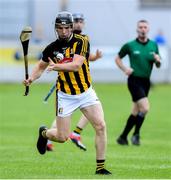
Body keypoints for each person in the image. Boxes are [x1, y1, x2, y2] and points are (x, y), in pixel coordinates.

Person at [23, 11, 111, 175]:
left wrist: (56, 67)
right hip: (65, 96)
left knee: (100, 126)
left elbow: (76, 65)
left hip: (85, 92)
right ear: (56, 29)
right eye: (60, 28)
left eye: (66, 28)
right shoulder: (52, 48)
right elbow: (40, 67)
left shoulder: (82, 42)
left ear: (71, 27)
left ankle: (100, 168)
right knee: (62, 137)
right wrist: (31, 79)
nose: (63, 31)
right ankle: (44, 133)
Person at [47, 13, 102, 151]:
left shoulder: (84, 39)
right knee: (63, 119)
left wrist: (95, 57)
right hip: (66, 85)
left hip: (82, 83)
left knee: (91, 111)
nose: (78, 23)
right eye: (76, 21)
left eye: (81, 21)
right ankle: (53, 136)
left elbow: (86, 58)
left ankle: (75, 133)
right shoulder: (61, 40)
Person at [115, 20, 161, 146]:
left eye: (145, 27)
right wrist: (125, 69)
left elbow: (158, 65)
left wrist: (157, 60)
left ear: (148, 29)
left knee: (136, 111)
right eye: (140, 27)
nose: (143, 29)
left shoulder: (153, 45)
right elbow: (117, 58)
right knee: (145, 108)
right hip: (134, 81)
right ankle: (136, 135)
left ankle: (123, 137)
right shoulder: (130, 45)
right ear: (137, 29)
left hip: (146, 82)